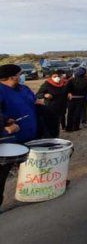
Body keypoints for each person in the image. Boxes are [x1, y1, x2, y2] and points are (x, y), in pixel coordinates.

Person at [0, 64, 39, 213]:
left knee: (37, 164)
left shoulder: (23, 89)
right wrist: (5, 126)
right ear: (12, 76)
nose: (21, 76)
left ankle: (46, 185)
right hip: (8, 142)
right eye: (19, 74)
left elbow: (33, 101)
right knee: (2, 173)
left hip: (30, 135)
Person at [36, 70, 69, 136]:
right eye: (55, 76)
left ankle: (63, 127)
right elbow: (38, 95)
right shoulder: (47, 84)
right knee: (52, 121)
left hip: (62, 105)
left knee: (61, 117)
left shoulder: (63, 84)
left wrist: (69, 93)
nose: (57, 78)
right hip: (51, 106)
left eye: (58, 76)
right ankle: (52, 134)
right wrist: (45, 95)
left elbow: (67, 91)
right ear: (51, 77)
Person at [66, 67, 87, 132]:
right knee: (78, 113)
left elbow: (66, 89)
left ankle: (69, 127)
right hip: (82, 98)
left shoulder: (71, 80)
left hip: (71, 98)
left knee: (70, 113)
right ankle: (76, 127)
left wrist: (69, 93)